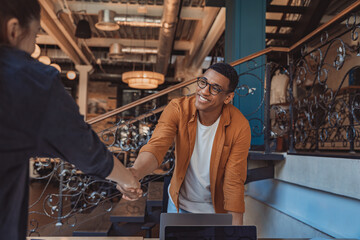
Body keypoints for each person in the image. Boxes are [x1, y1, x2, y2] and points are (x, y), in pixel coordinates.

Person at [0, 0, 141, 239]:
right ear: (13, 29)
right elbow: (86, 150)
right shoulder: (31, 80)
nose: (32, 48)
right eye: (34, 38)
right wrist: (128, 180)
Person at [129, 62, 251, 225]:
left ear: (228, 97)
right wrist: (135, 173)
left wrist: (237, 234)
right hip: (179, 205)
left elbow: (234, 182)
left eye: (215, 88)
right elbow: (157, 146)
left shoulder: (239, 126)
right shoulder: (178, 108)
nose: (204, 91)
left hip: (216, 211)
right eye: (203, 82)